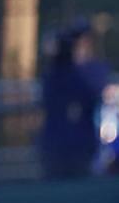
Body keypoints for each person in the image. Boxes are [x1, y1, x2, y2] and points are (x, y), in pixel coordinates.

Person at [37, 20, 108, 179]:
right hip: (55, 143)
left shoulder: (94, 69)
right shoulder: (56, 71)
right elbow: (49, 95)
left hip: (83, 143)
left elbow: (92, 91)